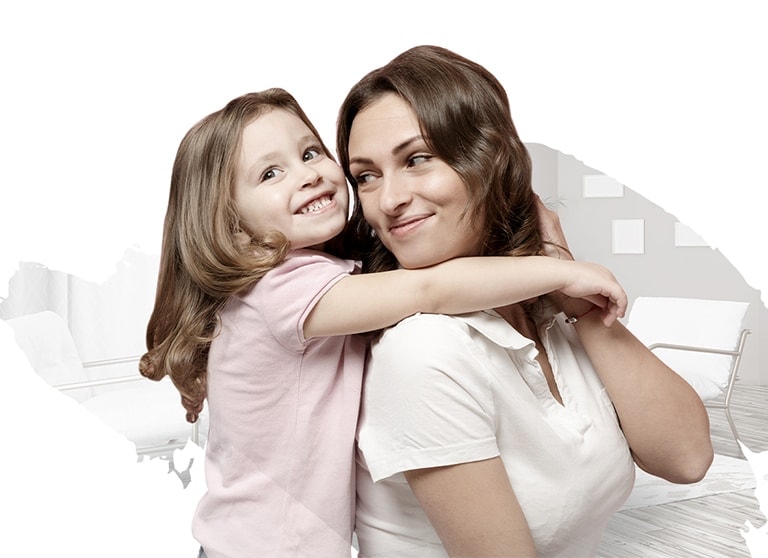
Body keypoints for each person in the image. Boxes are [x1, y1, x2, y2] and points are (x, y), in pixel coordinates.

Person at [139, 88, 628, 558]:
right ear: (229, 221)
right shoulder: (277, 290)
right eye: (270, 173)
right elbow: (428, 288)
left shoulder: (318, 275)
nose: (306, 175)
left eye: (310, 153)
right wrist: (562, 268)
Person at [336, 45, 714, 558]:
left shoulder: (544, 305)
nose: (387, 200)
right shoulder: (422, 350)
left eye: (417, 159)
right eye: (366, 175)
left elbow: (687, 458)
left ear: (488, 157)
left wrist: (573, 294)